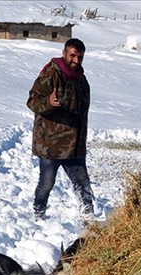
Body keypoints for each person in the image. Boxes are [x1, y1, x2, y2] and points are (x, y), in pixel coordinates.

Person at [27, 38, 94, 222]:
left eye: (80, 57)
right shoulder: (51, 75)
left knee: (82, 183)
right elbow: (32, 101)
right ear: (64, 53)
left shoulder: (80, 78)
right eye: (72, 55)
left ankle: (88, 217)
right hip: (51, 144)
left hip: (74, 144)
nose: (76, 61)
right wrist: (48, 102)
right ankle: (38, 215)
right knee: (46, 183)